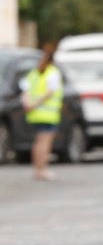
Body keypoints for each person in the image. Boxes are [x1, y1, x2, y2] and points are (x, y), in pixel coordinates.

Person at [20, 42, 63, 181]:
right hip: (47, 114)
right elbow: (49, 92)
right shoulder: (53, 73)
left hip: (34, 113)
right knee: (44, 143)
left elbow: (25, 91)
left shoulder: (33, 73)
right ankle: (42, 169)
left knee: (38, 142)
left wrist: (28, 104)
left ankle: (37, 170)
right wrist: (35, 104)